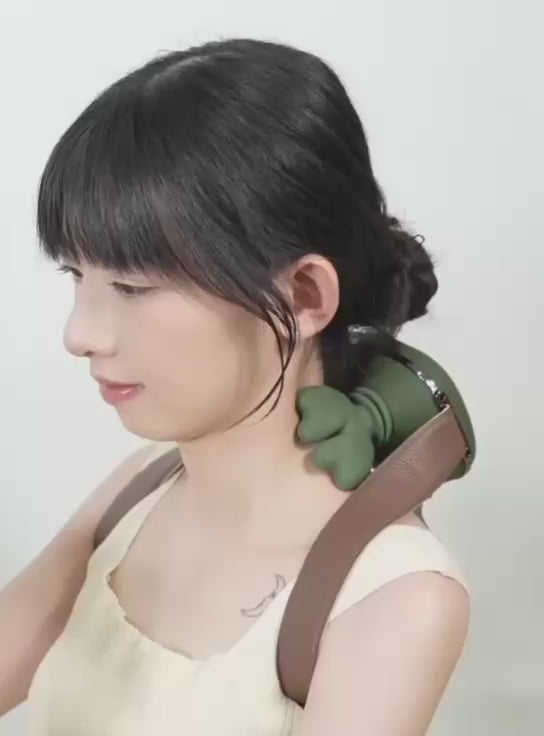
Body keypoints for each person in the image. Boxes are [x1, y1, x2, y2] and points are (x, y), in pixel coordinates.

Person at [1, 38, 470, 735]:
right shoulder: (139, 489)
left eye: (133, 286)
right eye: (77, 275)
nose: (81, 334)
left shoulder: (392, 596)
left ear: (304, 295)